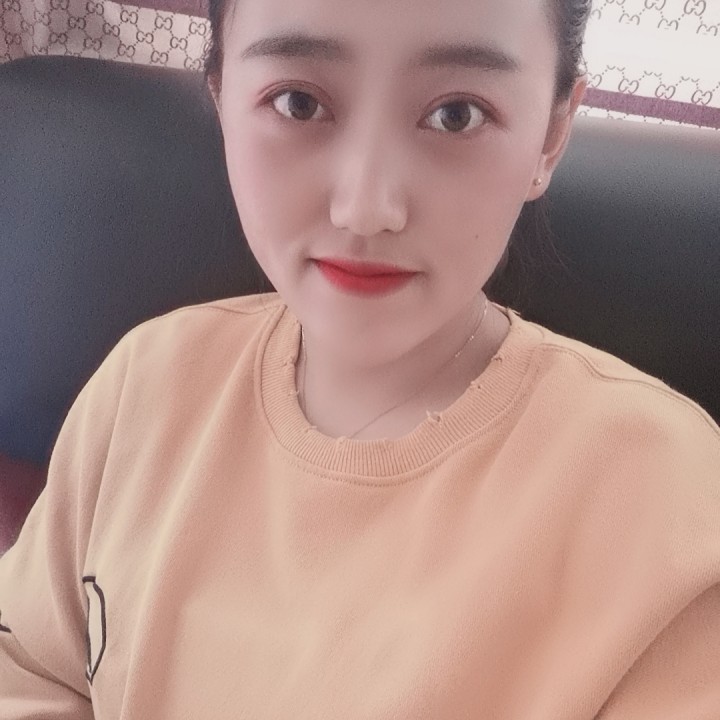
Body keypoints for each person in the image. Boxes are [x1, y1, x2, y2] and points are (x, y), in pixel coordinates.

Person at [1, 0, 719, 716]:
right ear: (221, 101)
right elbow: (30, 665)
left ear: (551, 137)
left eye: (457, 115)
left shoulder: (665, 501)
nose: (366, 207)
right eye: (298, 102)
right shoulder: (147, 379)